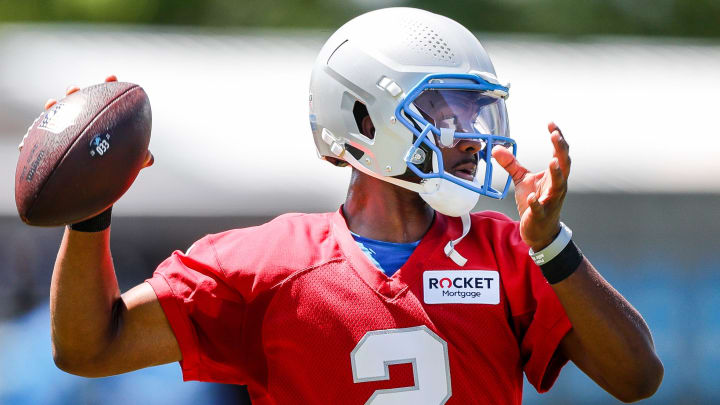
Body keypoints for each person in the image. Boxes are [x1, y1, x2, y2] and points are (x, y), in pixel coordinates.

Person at [47, 8, 663, 404]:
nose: (472, 135)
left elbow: (638, 378)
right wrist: (89, 212)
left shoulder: (505, 249)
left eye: (477, 113)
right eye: (447, 111)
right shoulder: (266, 263)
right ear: (363, 118)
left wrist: (553, 246)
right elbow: (90, 348)